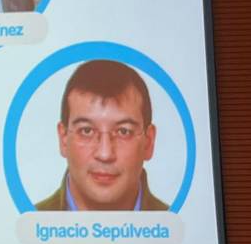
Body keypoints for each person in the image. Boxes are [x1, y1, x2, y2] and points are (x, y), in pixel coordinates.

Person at [35, 59, 168, 211]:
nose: (105, 154)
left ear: (149, 142)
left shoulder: (180, 224)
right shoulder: (25, 226)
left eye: (124, 132)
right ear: (63, 139)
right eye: (86, 131)